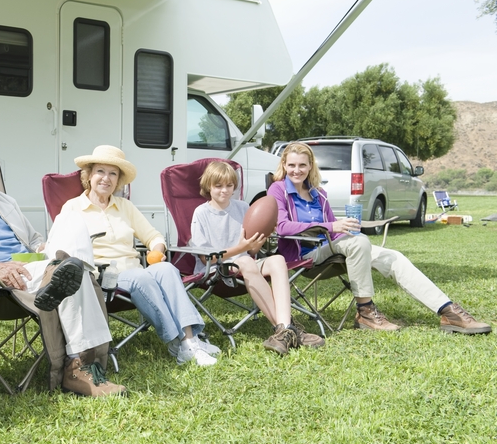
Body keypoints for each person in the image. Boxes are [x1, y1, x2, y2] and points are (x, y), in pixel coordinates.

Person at [0, 137, 126, 397]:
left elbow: (34, 242)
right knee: (79, 274)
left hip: (35, 266)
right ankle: (78, 367)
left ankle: (61, 276)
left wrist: (44, 251)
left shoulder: (3, 200)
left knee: (71, 219)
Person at [268, 141, 491, 334]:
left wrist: (346, 227)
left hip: (334, 249)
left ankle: (448, 311)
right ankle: (365, 311)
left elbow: (334, 232)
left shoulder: (319, 194)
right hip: (305, 256)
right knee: (359, 242)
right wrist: (332, 225)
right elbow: (283, 227)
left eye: (302, 165)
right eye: (291, 165)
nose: (297, 170)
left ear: (310, 166)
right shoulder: (278, 190)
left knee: (394, 257)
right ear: (284, 166)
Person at [60, 145, 220, 367]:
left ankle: (189, 342)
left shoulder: (124, 206)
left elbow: (153, 236)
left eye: (113, 173)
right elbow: (61, 246)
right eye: (100, 171)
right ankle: (179, 341)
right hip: (101, 276)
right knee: (141, 277)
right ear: (89, 175)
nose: (106, 178)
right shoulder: (73, 208)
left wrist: (157, 250)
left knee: (167, 269)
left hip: (135, 271)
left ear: (118, 180)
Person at [189, 161, 325, 355]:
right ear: (208, 186)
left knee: (277, 260)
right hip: (215, 268)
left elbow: (252, 251)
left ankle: (285, 328)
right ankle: (288, 330)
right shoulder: (201, 213)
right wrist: (242, 248)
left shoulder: (243, 207)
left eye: (229, 186)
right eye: (218, 186)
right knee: (245, 261)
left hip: (245, 263)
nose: (224, 191)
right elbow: (206, 259)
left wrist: (257, 243)